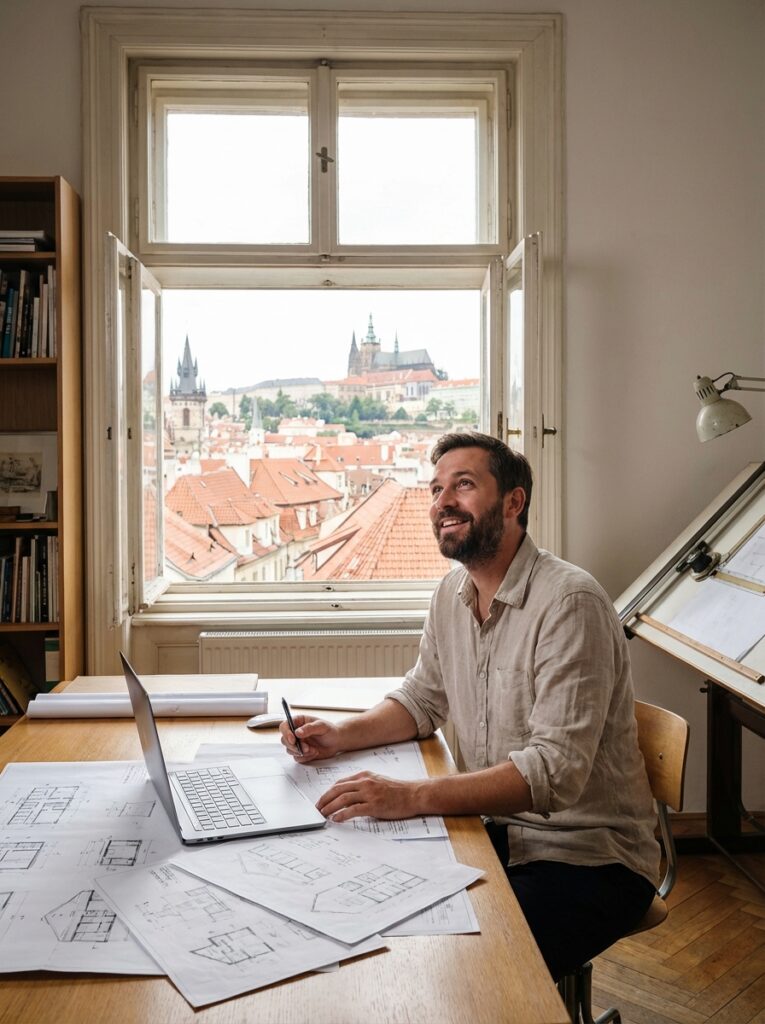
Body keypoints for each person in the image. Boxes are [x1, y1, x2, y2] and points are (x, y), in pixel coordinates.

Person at [280, 431, 659, 980]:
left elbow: (554, 774)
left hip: (589, 858)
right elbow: (420, 700)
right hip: (499, 832)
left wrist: (411, 796)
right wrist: (339, 735)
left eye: (463, 484)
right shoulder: (451, 595)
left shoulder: (569, 603)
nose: (442, 502)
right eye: (436, 489)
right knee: (372, 917)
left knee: (464, 971)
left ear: (513, 502)